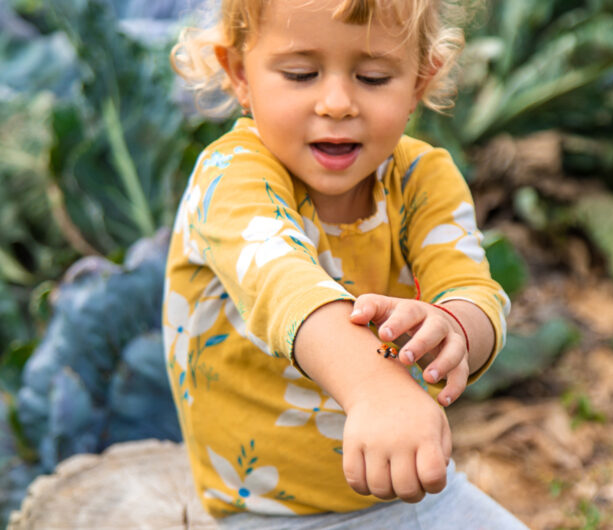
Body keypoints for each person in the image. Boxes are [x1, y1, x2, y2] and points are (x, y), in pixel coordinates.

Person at [163, 0, 526, 527]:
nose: (336, 103)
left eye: (374, 77)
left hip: (416, 488)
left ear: (421, 81)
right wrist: (376, 388)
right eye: (301, 74)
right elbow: (285, 286)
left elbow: (472, 288)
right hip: (272, 513)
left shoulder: (423, 177)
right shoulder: (229, 177)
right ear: (240, 74)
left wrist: (456, 328)